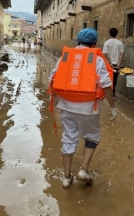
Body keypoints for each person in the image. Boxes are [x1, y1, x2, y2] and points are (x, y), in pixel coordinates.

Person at [48, 28, 117, 189]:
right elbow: (106, 84)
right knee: (92, 136)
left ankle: (66, 177)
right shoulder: (96, 60)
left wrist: (56, 100)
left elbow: (53, 77)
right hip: (88, 108)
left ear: (78, 41)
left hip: (66, 106)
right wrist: (113, 107)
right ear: (94, 44)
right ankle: (84, 170)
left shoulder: (64, 57)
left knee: (69, 137)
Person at [103, 27, 124, 100]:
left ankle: (108, 94)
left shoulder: (107, 42)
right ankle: (113, 94)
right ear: (116, 34)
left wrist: (110, 63)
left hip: (109, 65)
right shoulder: (120, 43)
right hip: (116, 65)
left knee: (108, 79)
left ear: (109, 33)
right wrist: (118, 64)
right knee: (115, 80)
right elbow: (122, 54)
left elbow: (106, 54)